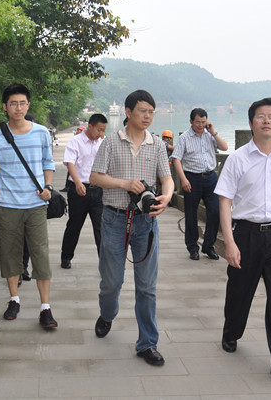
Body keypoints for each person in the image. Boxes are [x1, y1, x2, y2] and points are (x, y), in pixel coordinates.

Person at [214, 97, 271, 388]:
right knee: (240, 292)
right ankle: (231, 332)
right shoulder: (238, 158)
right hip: (246, 234)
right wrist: (229, 242)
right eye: (261, 116)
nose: (267, 121)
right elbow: (225, 202)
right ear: (251, 122)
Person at [90, 90, 174, 367]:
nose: (148, 116)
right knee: (111, 282)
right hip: (114, 219)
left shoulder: (157, 144)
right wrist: (124, 184)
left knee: (147, 286)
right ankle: (107, 314)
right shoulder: (111, 142)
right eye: (142, 111)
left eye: (151, 112)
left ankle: (147, 343)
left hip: (146, 222)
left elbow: (166, 178)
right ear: (128, 112)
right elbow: (95, 177)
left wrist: (166, 197)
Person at [0, 83, 58, 329]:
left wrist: (48, 186)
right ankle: (14, 299)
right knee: (10, 254)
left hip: (36, 204)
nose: (18, 108)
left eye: (23, 103)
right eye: (13, 103)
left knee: (40, 254)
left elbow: (48, 163)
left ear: (28, 105)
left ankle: (45, 308)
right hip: (7, 205)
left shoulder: (41, 133)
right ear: (5, 106)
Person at [171, 108, 228, 261]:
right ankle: (192, 247)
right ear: (191, 121)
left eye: (203, 122)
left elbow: (224, 147)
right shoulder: (184, 137)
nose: (201, 125)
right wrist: (183, 179)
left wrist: (213, 132)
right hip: (192, 178)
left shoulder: (210, 135)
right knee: (191, 214)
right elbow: (176, 159)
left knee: (215, 211)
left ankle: (209, 246)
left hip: (211, 177)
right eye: (197, 122)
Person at [60, 113, 108, 269]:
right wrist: (77, 182)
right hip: (79, 190)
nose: (101, 133)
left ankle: (105, 262)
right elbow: (70, 163)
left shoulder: (103, 143)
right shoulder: (76, 141)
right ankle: (66, 257)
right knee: (74, 225)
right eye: (99, 130)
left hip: (98, 191)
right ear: (90, 126)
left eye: (103, 130)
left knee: (101, 227)